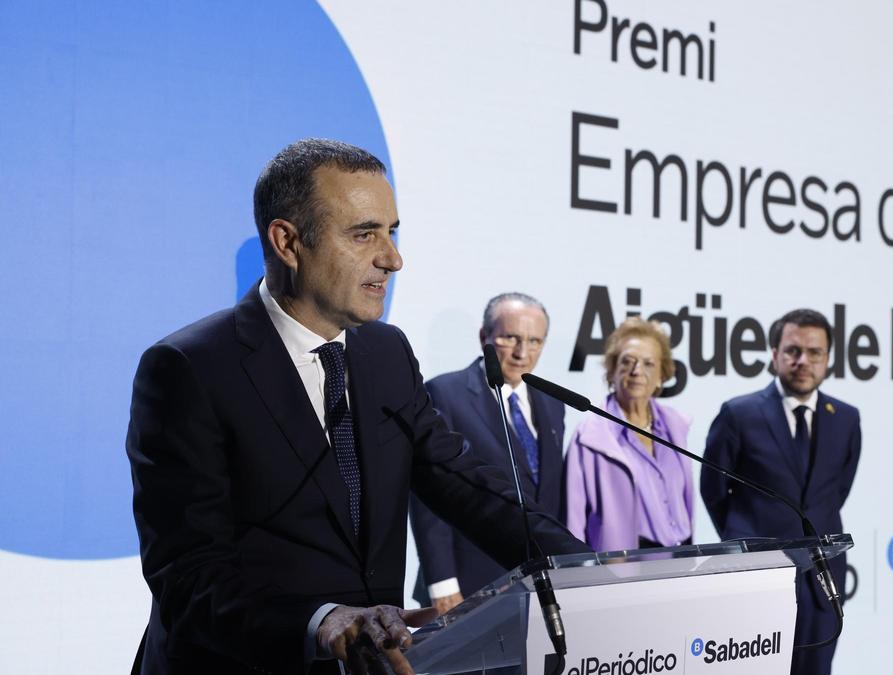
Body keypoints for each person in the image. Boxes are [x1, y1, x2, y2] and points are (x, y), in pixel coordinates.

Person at [125, 138, 587, 675]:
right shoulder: (189, 368)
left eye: (392, 232)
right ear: (288, 242)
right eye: (365, 233)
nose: (392, 258)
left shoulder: (386, 353)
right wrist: (319, 622)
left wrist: (584, 569)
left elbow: (463, 484)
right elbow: (188, 573)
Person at [701, 308, 861, 675]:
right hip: (758, 578)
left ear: (828, 359)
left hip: (822, 582)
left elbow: (837, 490)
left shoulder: (847, 418)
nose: (803, 361)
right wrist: (745, 540)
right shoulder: (739, 413)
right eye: (792, 351)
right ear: (775, 355)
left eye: (814, 352)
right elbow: (712, 489)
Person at [410, 292, 566, 614]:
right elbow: (428, 496)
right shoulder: (445, 393)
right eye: (511, 338)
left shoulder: (553, 402)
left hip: (533, 584)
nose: (523, 352)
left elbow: (546, 495)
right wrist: (442, 583)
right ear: (485, 337)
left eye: (535, 341)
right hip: (466, 584)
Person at [564, 317, 693, 551]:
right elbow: (573, 521)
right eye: (627, 362)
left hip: (683, 558)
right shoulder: (590, 436)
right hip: (626, 567)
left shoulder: (675, 427)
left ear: (662, 375)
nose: (636, 371)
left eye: (648, 364)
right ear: (612, 371)